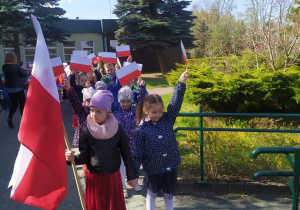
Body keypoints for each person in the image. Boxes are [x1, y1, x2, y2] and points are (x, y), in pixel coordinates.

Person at [66, 90, 138, 209]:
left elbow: (126, 153)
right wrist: (72, 159)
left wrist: (132, 175)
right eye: (92, 110)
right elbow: (84, 156)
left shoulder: (117, 128)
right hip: (95, 178)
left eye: (98, 111)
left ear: (107, 111)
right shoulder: (86, 130)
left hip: (113, 177)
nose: (94, 114)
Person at [132, 70, 189, 210]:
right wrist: (132, 174)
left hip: (169, 165)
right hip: (153, 169)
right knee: (152, 193)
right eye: (154, 112)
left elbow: (175, 103)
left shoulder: (167, 120)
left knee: (169, 193)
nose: (158, 115)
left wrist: (181, 82)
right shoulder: (141, 130)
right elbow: (136, 153)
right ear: (146, 111)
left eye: (160, 111)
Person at [113, 83, 146, 198]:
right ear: (119, 101)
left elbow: (141, 102)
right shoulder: (116, 114)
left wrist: (142, 87)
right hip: (121, 145)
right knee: (121, 166)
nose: (126, 103)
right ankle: (123, 187)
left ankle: (134, 182)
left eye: (128, 101)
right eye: (123, 101)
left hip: (134, 143)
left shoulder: (135, 110)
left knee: (133, 165)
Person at [2, 53, 27, 128]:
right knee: (22, 104)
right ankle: (24, 122)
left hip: (9, 89)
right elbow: (24, 74)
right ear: (14, 59)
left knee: (14, 104)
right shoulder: (17, 67)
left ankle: (9, 118)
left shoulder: (4, 67)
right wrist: (22, 68)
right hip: (19, 88)